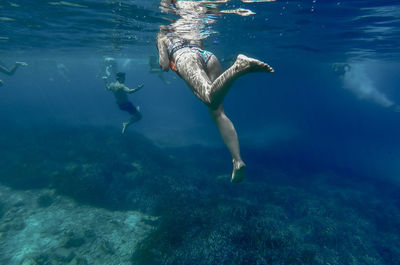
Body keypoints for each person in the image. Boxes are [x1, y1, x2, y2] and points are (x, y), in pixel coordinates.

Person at [157, 0, 274, 183]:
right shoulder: (196, 16)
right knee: (217, 112)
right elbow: (199, 42)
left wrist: (163, 52)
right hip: (207, 56)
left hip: (184, 58)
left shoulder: (162, 33)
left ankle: (239, 67)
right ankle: (237, 160)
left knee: (210, 99)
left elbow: (164, 65)